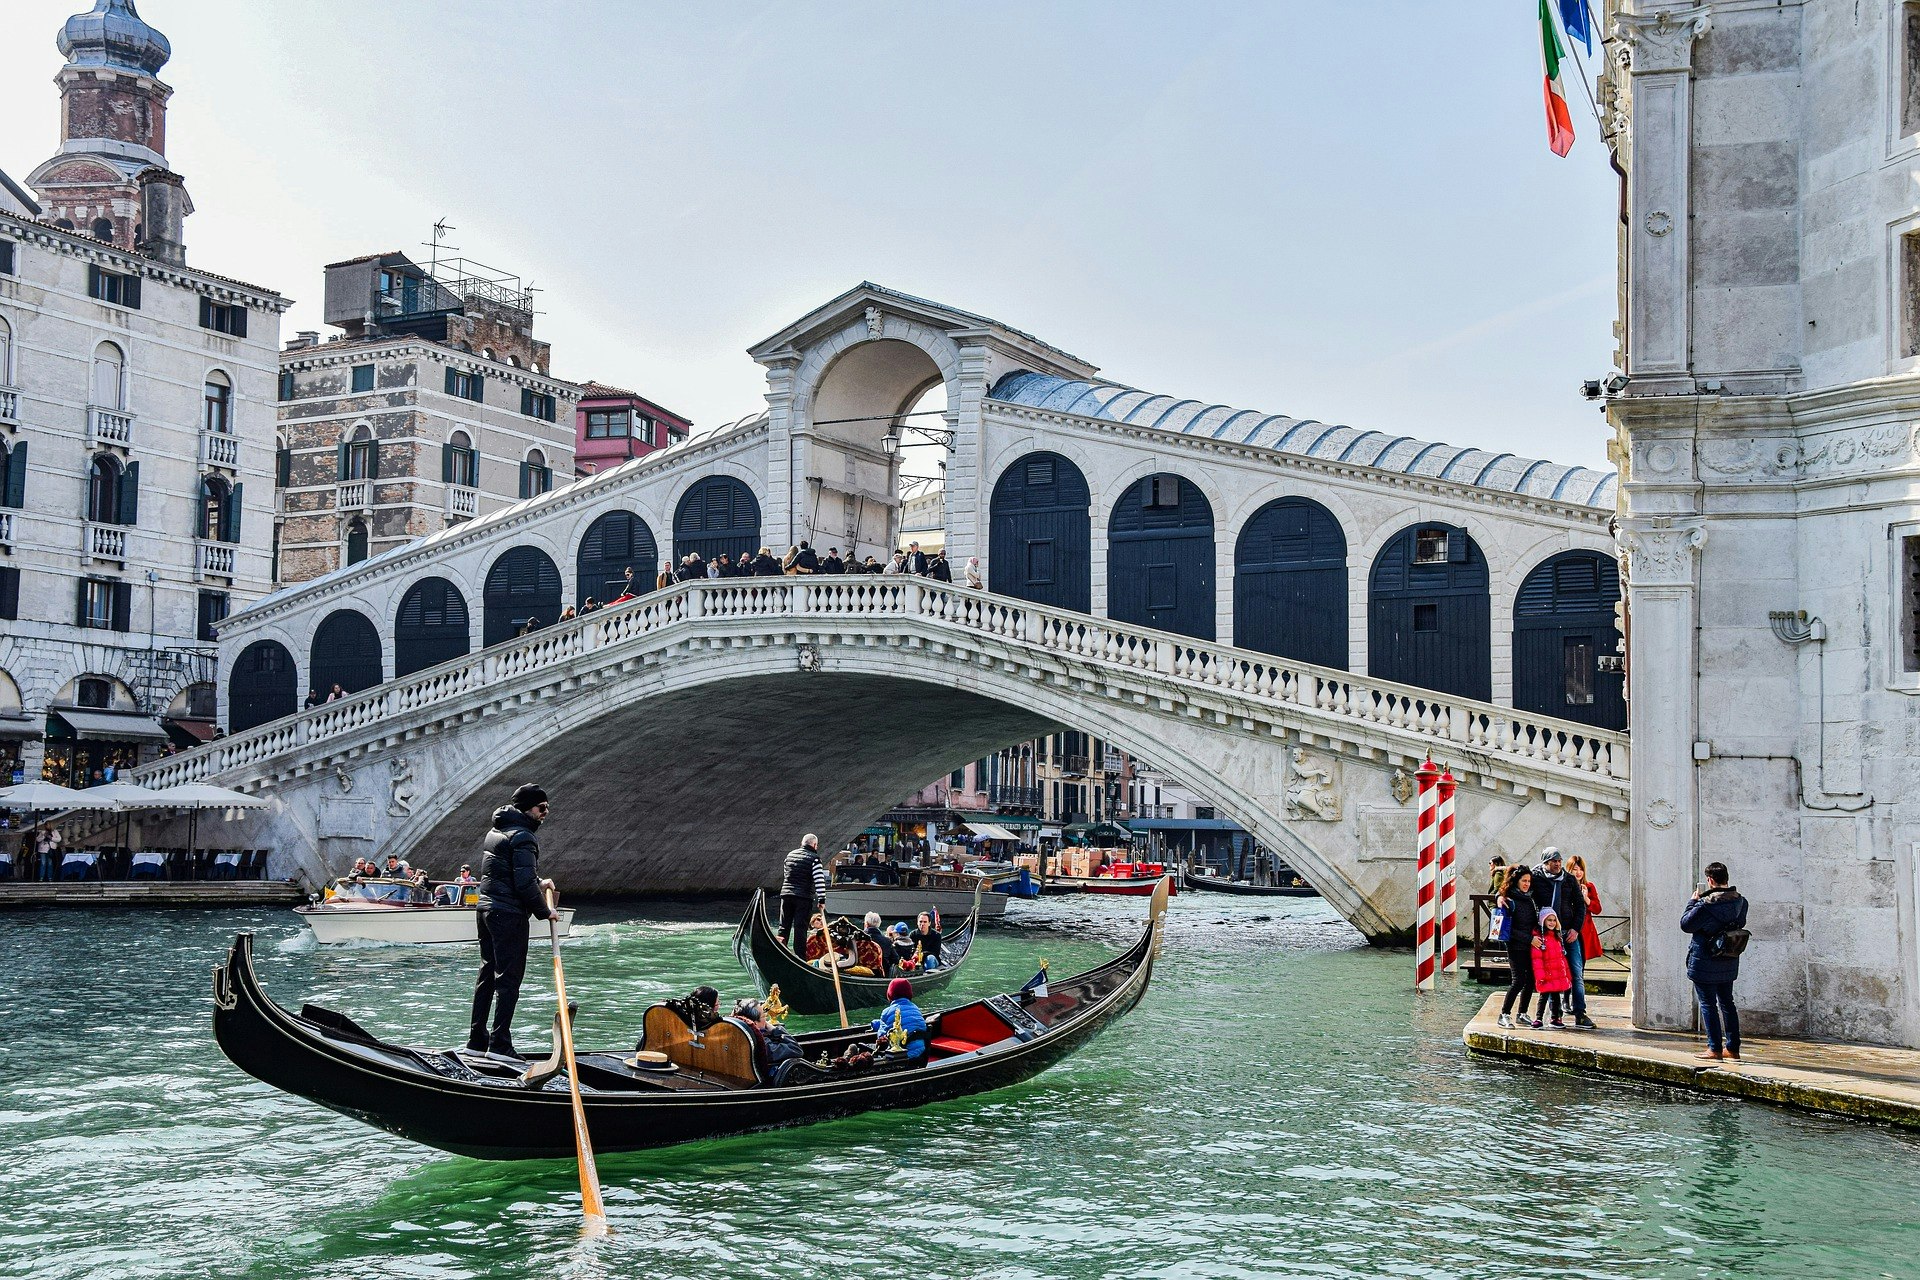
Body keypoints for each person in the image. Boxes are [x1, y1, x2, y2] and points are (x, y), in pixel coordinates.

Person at [469, 784, 556, 1059]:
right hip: (508, 916)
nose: (545, 813)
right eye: (542, 808)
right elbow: (522, 884)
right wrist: (546, 912)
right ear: (528, 808)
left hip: (485, 912)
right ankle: (500, 1045)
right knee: (508, 980)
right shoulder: (524, 837)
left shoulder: (496, 832)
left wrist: (539, 881)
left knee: (486, 976)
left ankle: (476, 1041)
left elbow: (506, 872)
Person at [1681, 861, 1749, 1061]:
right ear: (1726, 878)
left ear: (1709, 880)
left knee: (1708, 1004)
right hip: (1728, 958)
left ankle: (1714, 1048)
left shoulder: (1705, 904)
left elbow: (1686, 924)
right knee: (1728, 1003)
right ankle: (1733, 1048)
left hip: (1705, 960)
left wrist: (1692, 902)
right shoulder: (1741, 902)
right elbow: (1740, 923)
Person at [1530, 848, 1594, 1029]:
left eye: (1559, 860)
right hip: (1547, 934)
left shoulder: (1569, 879)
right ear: (1545, 862)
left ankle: (1580, 1013)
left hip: (1568, 932)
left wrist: (1575, 929)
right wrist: (1500, 896)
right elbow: (1520, 890)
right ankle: (1554, 1016)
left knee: (1576, 972)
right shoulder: (1536, 878)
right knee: (1550, 973)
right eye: (1553, 861)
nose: (1558, 864)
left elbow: (1580, 906)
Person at [1495, 865, 1542, 1029]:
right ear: (1516, 881)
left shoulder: (1529, 899)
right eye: (1524, 881)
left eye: (1529, 881)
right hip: (1515, 946)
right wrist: (1529, 939)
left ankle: (1522, 1014)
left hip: (1530, 945)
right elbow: (1507, 929)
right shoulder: (1508, 900)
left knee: (1531, 980)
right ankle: (1504, 1014)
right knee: (1518, 980)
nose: (1527, 884)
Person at [778, 833, 828, 952]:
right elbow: (819, 880)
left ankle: (780, 949)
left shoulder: (790, 855)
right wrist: (821, 900)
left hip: (786, 894)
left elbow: (786, 875)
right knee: (800, 927)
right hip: (803, 897)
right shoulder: (814, 859)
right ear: (815, 845)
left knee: (784, 926)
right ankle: (800, 956)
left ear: (802, 843)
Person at [734, 998, 805, 1074]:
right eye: (764, 1016)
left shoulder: (739, 1036)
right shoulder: (763, 1044)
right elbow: (796, 1050)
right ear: (755, 1023)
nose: (766, 1020)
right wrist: (775, 1030)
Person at [1532, 909, 1574, 1029]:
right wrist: (1540, 975)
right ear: (1543, 921)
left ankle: (1555, 1018)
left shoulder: (1557, 937)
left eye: (1554, 920)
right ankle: (1538, 1018)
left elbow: (1562, 957)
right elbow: (1537, 959)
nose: (1552, 923)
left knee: (1556, 997)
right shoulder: (1539, 938)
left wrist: (1567, 974)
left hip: (1557, 973)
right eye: (1549, 920)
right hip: (1546, 973)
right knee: (1543, 997)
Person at [870, 978, 929, 1064]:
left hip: (900, 1056)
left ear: (890, 994)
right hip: (920, 1052)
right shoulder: (916, 1009)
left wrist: (876, 1025)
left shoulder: (887, 1012)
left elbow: (882, 1036)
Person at [1567, 854, 1603, 961]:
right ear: (1569, 870)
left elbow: (1597, 909)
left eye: (1581, 869)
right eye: (1575, 869)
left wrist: (1586, 899)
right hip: (1569, 928)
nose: (1578, 873)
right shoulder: (1565, 886)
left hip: (1585, 930)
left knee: (1581, 961)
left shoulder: (1589, 886)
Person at [862, 911, 895, 976]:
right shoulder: (887, 941)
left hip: (860, 975)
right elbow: (895, 959)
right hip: (881, 976)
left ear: (866, 924)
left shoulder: (857, 939)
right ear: (878, 924)